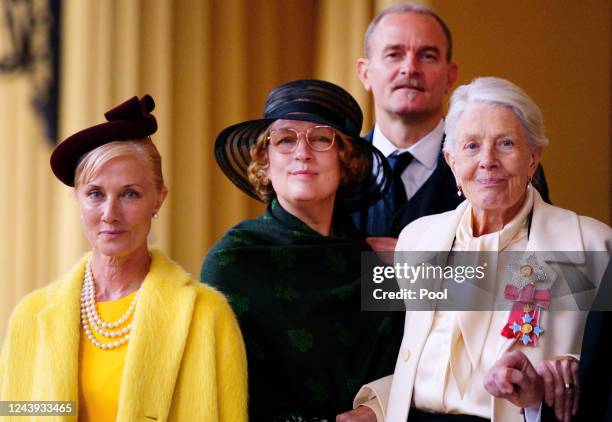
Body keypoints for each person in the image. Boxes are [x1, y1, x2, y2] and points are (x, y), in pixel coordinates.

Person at [338, 77, 610, 422]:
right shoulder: (418, 240)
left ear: (533, 158)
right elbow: (412, 364)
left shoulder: (590, 247)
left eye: (506, 143)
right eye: (471, 146)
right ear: (451, 162)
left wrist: (548, 395)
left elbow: (599, 382)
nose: (487, 161)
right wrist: (377, 406)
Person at [0, 95, 247, 421]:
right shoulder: (31, 317)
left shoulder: (208, 317)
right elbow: (16, 415)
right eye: (95, 194)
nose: (110, 214)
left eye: (130, 194)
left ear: (158, 200)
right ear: (78, 199)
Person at [200, 79, 404, 421]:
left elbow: (515, 291)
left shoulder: (376, 261)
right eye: (285, 139)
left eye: (321, 138)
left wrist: (419, 264)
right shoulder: (233, 261)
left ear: (346, 160)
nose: (302, 152)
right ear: (264, 160)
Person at [352, 3, 550, 247]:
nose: (410, 68)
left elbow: (539, 267)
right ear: (365, 73)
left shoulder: (510, 165)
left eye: (427, 56)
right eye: (394, 54)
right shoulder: (337, 167)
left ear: (450, 75)